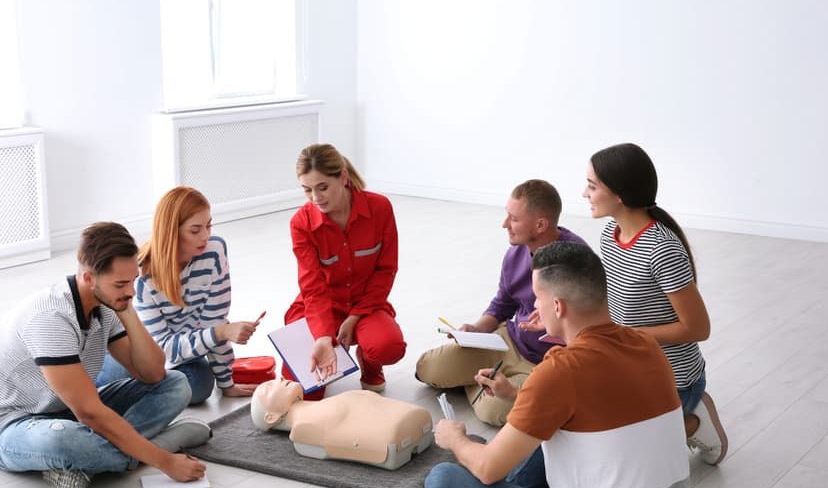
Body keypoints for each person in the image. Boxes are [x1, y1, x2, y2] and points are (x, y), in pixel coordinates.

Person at [406, 242, 689, 488]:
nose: (532, 309)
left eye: (537, 300)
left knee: (443, 480)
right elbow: (590, 404)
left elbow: (488, 468)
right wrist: (517, 393)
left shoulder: (559, 371)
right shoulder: (645, 345)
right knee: (543, 436)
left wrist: (456, 439)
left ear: (558, 306)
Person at [0, 222, 211, 488]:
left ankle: (88, 462)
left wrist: (127, 310)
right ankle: (159, 444)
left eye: (132, 280)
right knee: (65, 440)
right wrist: (165, 461)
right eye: (120, 284)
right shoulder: (51, 319)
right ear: (88, 278)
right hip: (8, 427)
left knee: (177, 384)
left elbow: (153, 373)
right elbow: (89, 413)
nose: (131, 291)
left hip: (64, 409)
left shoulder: (106, 304)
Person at [582, 142, 728, 465]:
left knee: (622, 452)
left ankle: (694, 421)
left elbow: (698, 328)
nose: (584, 194)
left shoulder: (662, 249)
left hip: (673, 379)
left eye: (592, 186)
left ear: (619, 194)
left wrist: (630, 336)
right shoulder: (610, 235)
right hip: (627, 367)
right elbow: (615, 302)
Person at [415, 180, 586, 426]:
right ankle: (484, 381)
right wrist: (477, 329)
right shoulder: (516, 252)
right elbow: (503, 302)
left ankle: (478, 382)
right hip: (506, 341)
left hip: (544, 363)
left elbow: (586, 332)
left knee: (493, 411)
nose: (505, 224)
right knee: (427, 368)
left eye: (513, 219)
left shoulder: (577, 260)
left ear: (540, 224)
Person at [96, 186, 259, 401]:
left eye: (208, 225)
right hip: (140, 351)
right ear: (172, 231)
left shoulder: (214, 252)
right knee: (111, 378)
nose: (205, 236)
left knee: (200, 385)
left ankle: (135, 389)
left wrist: (227, 383)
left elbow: (215, 320)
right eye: (195, 230)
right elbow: (163, 349)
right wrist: (222, 332)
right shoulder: (143, 277)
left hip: (185, 350)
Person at [284, 143, 406, 399]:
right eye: (307, 190)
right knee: (305, 394)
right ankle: (326, 349)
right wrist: (323, 337)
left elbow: (386, 270)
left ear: (342, 176)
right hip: (320, 307)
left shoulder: (380, 208)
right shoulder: (300, 223)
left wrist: (355, 317)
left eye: (323, 187)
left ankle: (369, 360)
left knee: (387, 346)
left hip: (366, 304)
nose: (316, 198)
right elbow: (312, 288)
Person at [250, 378, 433, 469]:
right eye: (269, 388)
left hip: (397, 426)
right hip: (396, 434)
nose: (279, 379)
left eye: (278, 379)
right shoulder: (304, 426)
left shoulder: (318, 409)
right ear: (271, 417)